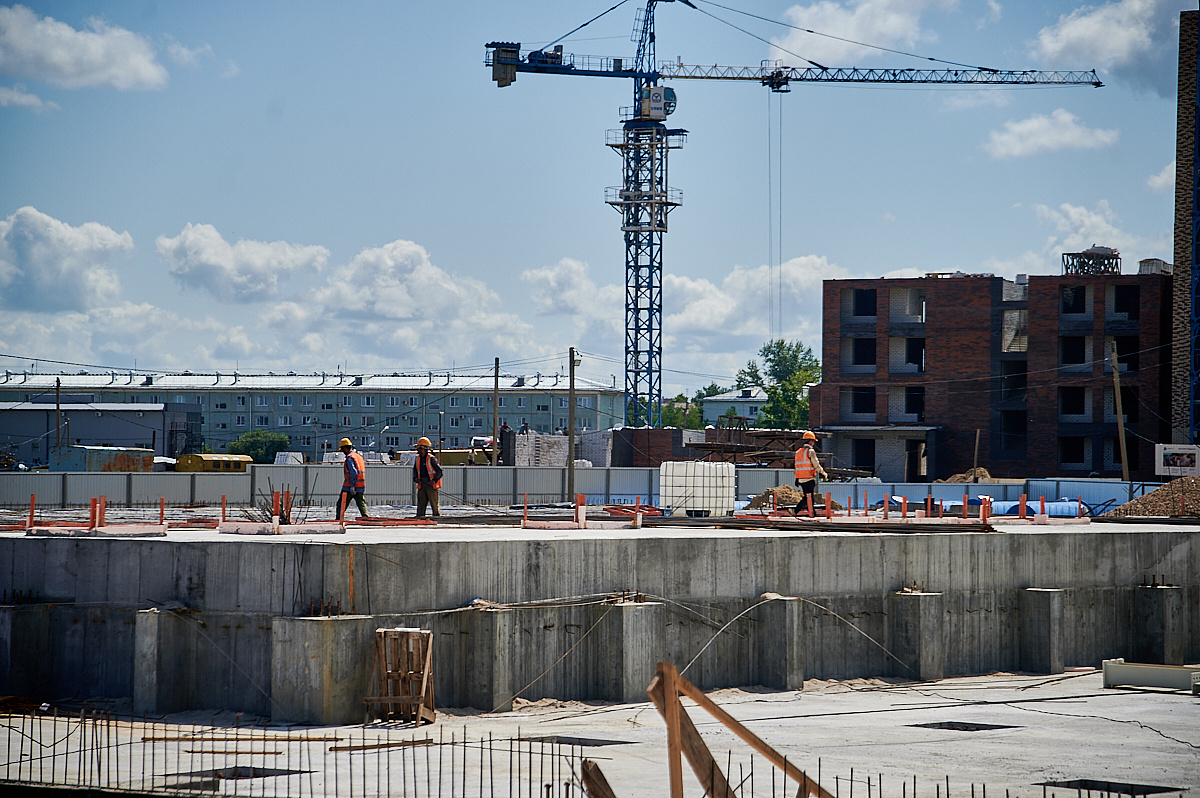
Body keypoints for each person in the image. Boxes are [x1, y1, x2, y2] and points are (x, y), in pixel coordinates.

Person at [793, 431, 828, 517]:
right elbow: (816, 464)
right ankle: (795, 511)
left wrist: (797, 478)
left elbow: (797, 466)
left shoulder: (798, 452)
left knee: (809, 497)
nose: (813, 443)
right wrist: (823, 473)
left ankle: (812, 513)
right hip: (808, 478)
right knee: (808, 497)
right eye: (813, 441)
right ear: (810, 441)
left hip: (801, 479)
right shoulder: (810, 451)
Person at [336, 438, 369, 520]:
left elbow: (353, 472)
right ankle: (365, 518)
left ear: (345, 448)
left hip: (349, 486)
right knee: (361, 503)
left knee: (341, 504)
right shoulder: (358, 456)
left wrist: (352, 486)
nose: (343, 451)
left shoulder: (350, 458)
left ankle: (338, 519)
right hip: (360, 485)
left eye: (343, 449)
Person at [413, 436, 444, 518]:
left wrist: (434, 480)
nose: (417, 450)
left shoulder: (431, 459)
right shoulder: (417, 458)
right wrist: (415, 478)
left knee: (434, 503)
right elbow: (415, 469)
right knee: (421, 504)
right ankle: (420, 517)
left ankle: (437, 518)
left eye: (419, 448)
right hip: (422, 483)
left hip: (430, 484)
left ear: (423, 448)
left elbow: (439, 471)